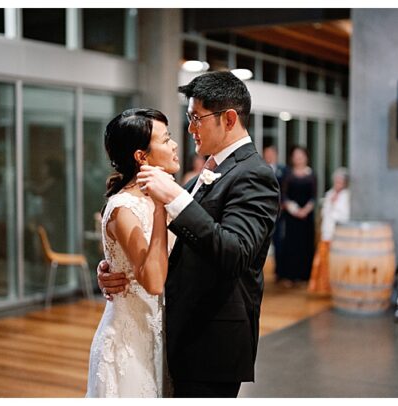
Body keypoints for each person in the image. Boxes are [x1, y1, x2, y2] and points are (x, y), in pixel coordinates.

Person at [98, 71, 280, 397]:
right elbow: (170, 243)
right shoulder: (208, 171)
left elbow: (235, 253)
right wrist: (119, 265)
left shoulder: (254, 174)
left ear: (228, 119)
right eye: (188, 118)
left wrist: (174, 198)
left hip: (212, 342)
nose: (190, 129)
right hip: (180, 335)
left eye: (197, 118)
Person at [86, 108, 180, 397]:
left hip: (159, 333)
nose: (174, 145)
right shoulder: (124, 208)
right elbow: (152, 281)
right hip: (128, 343)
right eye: (166, 140)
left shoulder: (173, 190)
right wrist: (160, 206)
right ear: (142, 156)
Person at [275, 146, 318, 288]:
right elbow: (284, 195)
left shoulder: (311, 174)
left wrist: (305, 210)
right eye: (296, 156)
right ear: (292, 158)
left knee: (306, 243)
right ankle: (290, 276)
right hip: (292, 216)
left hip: (307, 216)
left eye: (301, 155)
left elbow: (313, 196)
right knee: (291, 244)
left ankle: (305, 276)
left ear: (306, 157)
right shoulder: (288, 175)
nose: (298, 158)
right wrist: (294, 210)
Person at [308, 167, 350, 294]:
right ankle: (321, 287)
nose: (337, 184)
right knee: (322, 261)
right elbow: (324, 212)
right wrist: (330, 204)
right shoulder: (330, 193)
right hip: (327, 231)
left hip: (338, 234)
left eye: (340, 181)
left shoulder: (347, 196)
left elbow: (345, 215)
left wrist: (334, 209)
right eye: (336, 181)